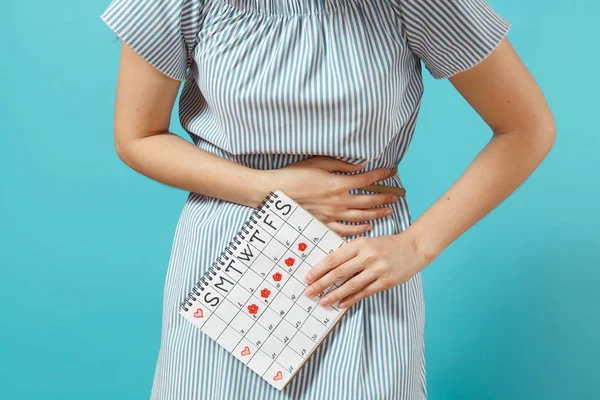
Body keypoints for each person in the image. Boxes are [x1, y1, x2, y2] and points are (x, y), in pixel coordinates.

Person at [100, 0, 555, 398]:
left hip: (356, 268)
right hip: (227, 265)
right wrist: (266, 187)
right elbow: (137, 136)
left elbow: (526, 129)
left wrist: (416, 246)